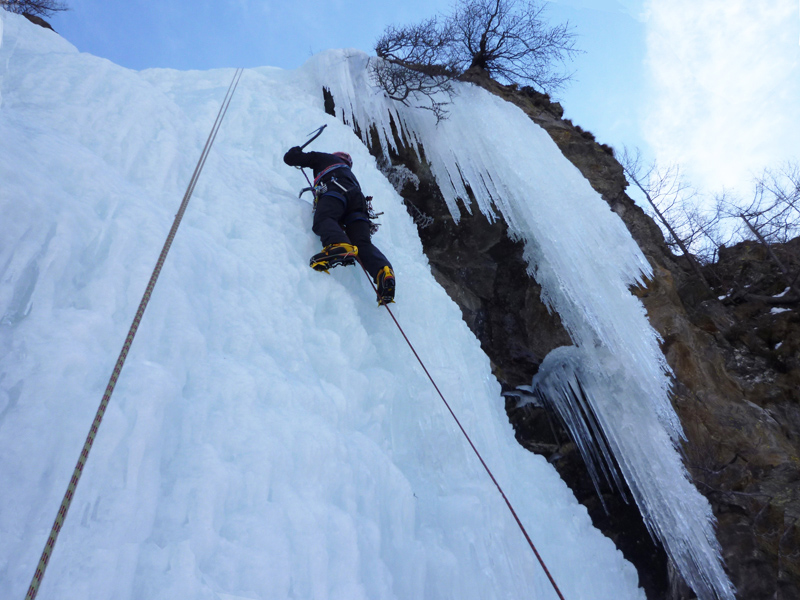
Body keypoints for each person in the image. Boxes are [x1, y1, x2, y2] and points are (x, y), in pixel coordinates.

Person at [283, 146, 395, 305]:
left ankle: (338, 244)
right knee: (361, 243)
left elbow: (292, 159)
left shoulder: (325, 158)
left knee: (324, 218)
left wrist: (294, 152)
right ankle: (383, 271)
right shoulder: (351, 175)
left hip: (336, 189)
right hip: (358, 202)